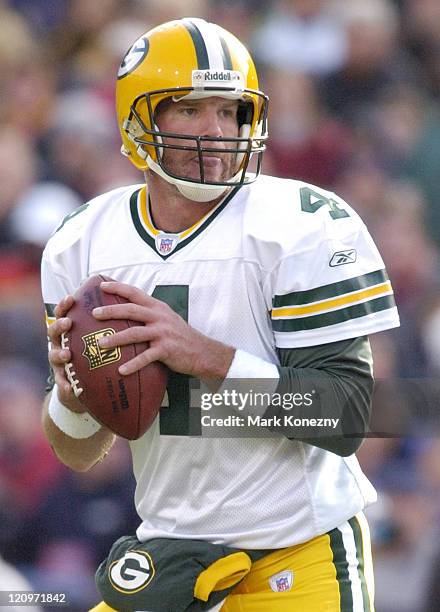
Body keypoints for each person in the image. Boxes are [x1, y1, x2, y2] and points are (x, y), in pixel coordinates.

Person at [41, 17, 400, 612]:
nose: (217, 130)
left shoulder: (301, 224)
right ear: (138, 120)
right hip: (169, 556)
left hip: (296, 553)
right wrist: (74, 396)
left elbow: (346, 417)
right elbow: (78, 450)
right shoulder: (80, 242)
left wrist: (205, 356)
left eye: (230, 111)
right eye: (190, 108)